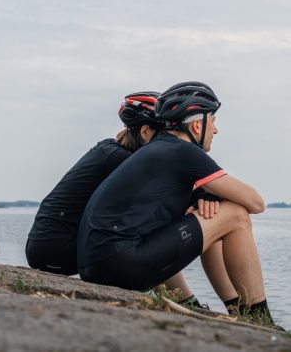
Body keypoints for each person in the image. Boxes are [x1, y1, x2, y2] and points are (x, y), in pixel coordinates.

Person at [77, 81, 279, 326]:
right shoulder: (182, 151)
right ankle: (259, 318)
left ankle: (235, 307)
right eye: (213, 121)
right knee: (235, 214)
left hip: (99, 265)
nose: (215, 131)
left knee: (211, 214)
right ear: (197, 124)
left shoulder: (158, 149)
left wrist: (206, 200)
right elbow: (256, 202)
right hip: (120, 264)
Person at [25, 91, 164, 276]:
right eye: (163, 135)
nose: (166, 143)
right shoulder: (120, 160)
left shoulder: (110, 150)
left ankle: (180, 297)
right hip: (56, 252)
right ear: (145, 132)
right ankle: (183, 299)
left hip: (43, 248)